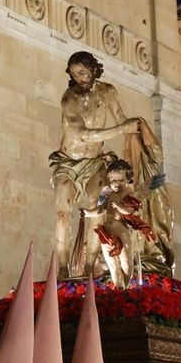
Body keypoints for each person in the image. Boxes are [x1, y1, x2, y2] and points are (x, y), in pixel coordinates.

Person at [50, 51, 142, 275]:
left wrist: (141, 139)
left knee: (97, 209)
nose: (80, 77)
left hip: (94, 162)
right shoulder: (69, 99)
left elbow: (122, 119)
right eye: (74, 74)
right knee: (63, 213)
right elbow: (83, 134)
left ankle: (89, 267)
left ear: (93, 69)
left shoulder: (108, 92)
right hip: (68, 162)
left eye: (83, 71)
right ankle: (63, 268)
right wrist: (122, 129)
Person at [86, 157, 157, 288]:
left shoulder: (130, 193)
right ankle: (119, 287)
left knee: (126, 263)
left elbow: (128, 211)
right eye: (113, 180)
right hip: (106, 230)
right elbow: (101, 209)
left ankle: (124, 287)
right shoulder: (109, 194)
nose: (116, 183)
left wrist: (118, 206)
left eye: (120, 180)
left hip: (121, 231)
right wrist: (87, 213)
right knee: (111, 262)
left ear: (128, 179)